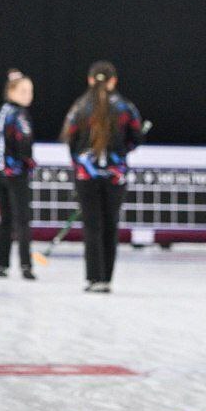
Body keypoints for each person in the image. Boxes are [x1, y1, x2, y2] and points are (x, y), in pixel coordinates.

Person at [60, 61, 145, 293]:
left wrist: (81, 162)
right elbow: (136, 138)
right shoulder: (125, 107)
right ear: (113, 81)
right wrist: (120, 152)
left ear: (89, 80)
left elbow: (70, 139)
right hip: (115, 175)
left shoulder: (79, 107)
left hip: (86, 174)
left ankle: (94, 278)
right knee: (110, 224)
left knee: (92, 226)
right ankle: (106, 278)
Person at [0, 71, 37, 280]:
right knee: (22, 220)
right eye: (24, 91)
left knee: (5, 219)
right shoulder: (20, 115)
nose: (29, 95)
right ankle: (26, 265)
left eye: (30, 91)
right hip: (15, 173)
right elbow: (23, 144)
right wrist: (29, 164)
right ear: (11, 91)